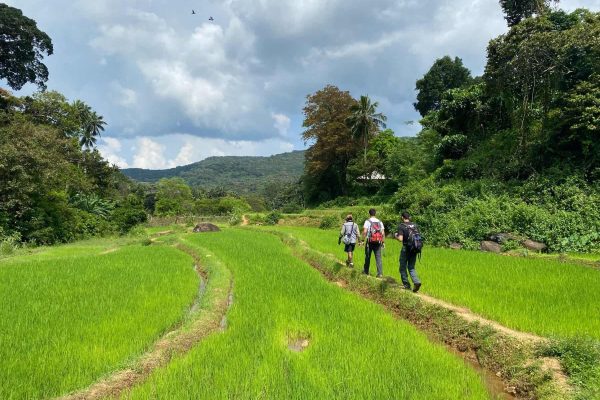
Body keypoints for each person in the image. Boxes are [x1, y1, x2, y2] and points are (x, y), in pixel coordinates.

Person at [395, 211, 422, 292]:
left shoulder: (401, 226)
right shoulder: (415, 225)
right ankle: (416, 281)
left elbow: (400, 239)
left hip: (406, 248)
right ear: (409, 217)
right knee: (411, 267)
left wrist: (395, 235)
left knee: (402, 267)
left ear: (402, 217)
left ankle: (407, 285)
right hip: (415, 248)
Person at [363, 208, 385, 278]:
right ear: (375, 213)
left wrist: (363, 240)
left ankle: (366, 271)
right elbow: (383, 233)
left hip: (370, 241)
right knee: (378, 257)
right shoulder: (380, 221)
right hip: (378, 241)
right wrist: (383, 242)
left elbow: (364, 232)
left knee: (368, 256)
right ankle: (380, 273)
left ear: (369, 214)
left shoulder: (367, 221)